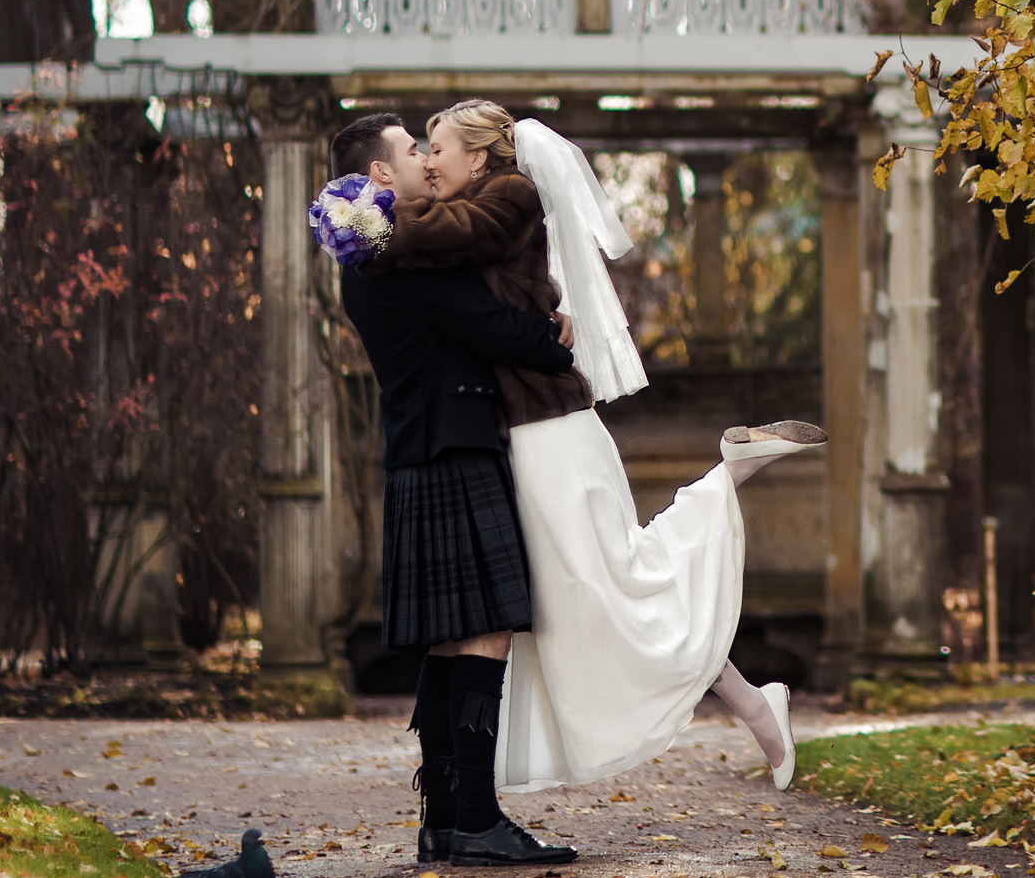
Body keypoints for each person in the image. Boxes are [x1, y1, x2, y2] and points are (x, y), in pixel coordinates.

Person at [326, 102, 824, 809]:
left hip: (547, 426)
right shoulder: (444, 224)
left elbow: (474, 287)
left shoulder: (504, 196)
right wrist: (366, 216)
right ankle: (748, 698)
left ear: (478, 153)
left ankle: (727, 479)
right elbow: (484, 309)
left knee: (613, 582)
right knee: (593, 597)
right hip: (521, 431)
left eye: (435, 147)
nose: (428, 161)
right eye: (418, 149)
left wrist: (360, 218)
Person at [323, 112, 581, 868]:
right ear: (378, 173)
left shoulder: (368, 246)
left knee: (449, 635)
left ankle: (443, 814)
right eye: (411, 151)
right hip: (452, 440)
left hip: (422, 442)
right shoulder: (398, 254)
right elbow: (485, 324)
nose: (424, 164)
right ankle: (472, 814)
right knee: (487, 626)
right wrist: (554, 337)